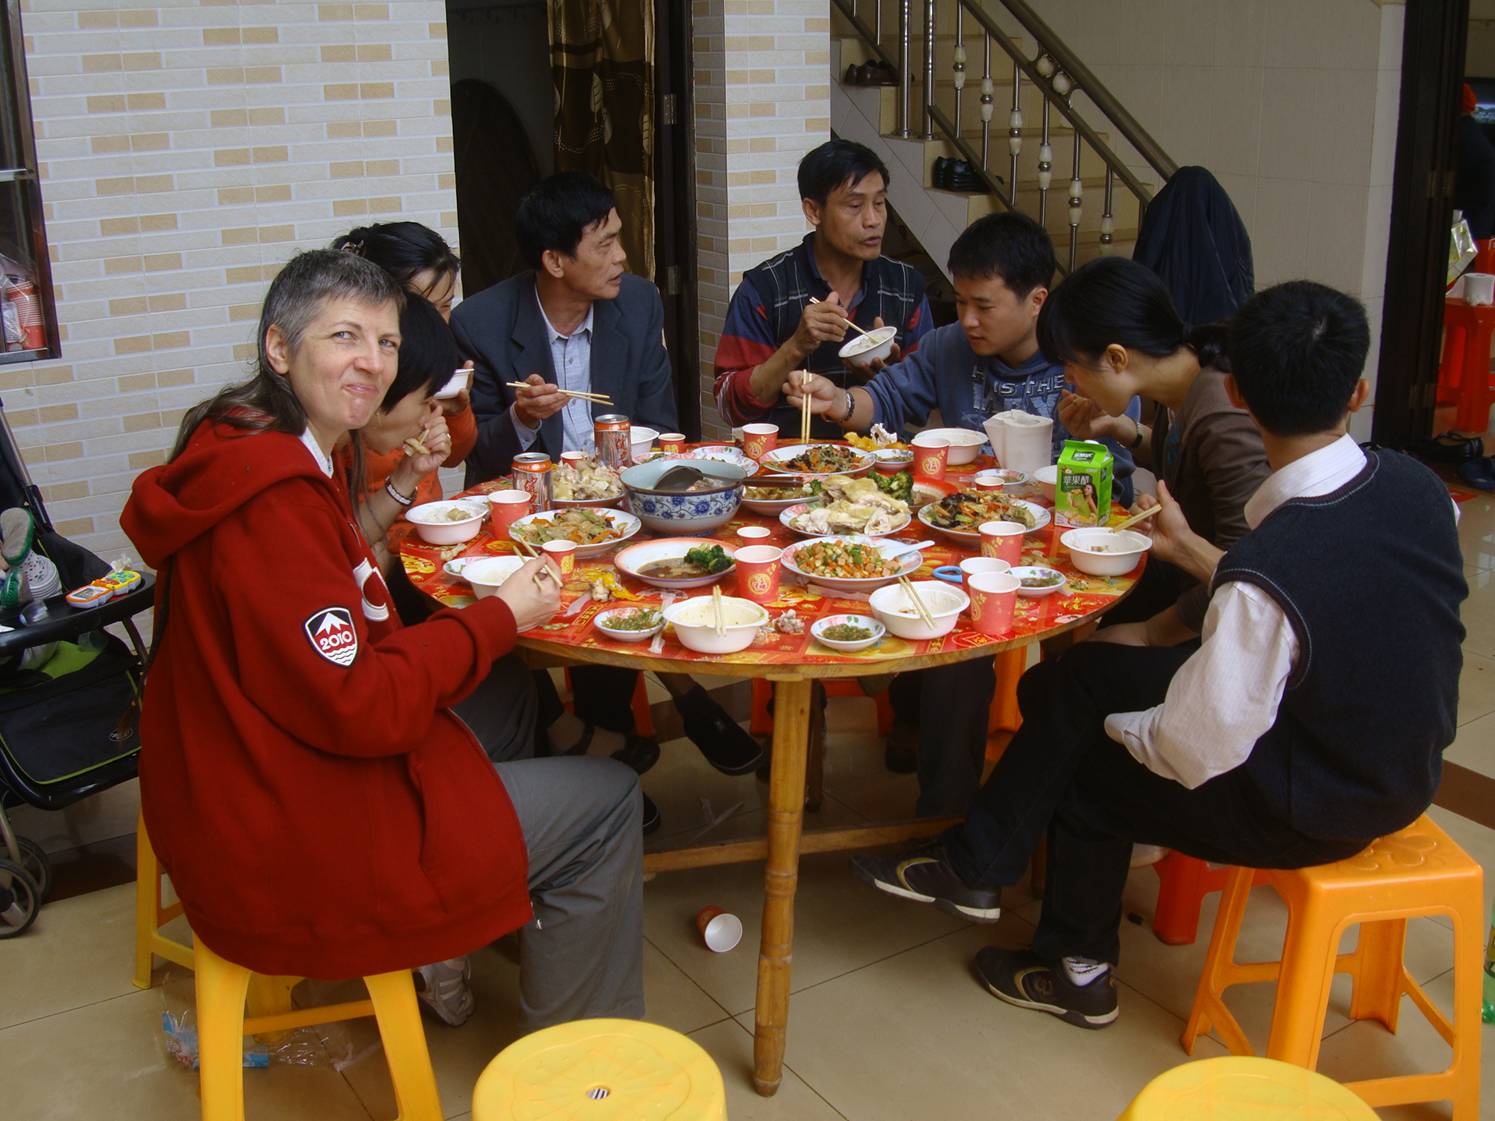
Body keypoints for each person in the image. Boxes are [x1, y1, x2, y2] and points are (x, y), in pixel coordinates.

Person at [851, 280, 1467, 1030]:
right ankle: (978, 864)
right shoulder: (1421, 488)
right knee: (1082, 680)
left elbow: (1193, 744)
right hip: (1400, 764)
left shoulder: (1268, 568)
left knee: (1090, 763)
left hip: (1318, 800)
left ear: (1236, 390)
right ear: (1358, 390)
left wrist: (1113, 728)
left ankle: (1074, 970)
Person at [122, 249, 645, 1032]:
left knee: (500, 692)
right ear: (278, 347)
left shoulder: (242, 437)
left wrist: (482, 629)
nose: (371, 363)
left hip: (233, 765)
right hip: (285, 825)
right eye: (344, 337)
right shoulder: (273, 500)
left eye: (387, 342)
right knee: (609, 801)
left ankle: (474, 915)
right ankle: (577, 1078)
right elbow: (360, 703)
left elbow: (322, 616)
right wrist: (498, 616)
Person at [790, 212, 1138, 812]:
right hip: (952, 544)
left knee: (1039, 660)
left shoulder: (1076, 362)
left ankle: (1040, 798)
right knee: (945, 631)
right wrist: (840, 399)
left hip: (1046, 551)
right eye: (959, 301)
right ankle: (945, 814)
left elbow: (1116, 480)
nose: (968, 320)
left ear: (1036, 302)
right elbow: (890, 397)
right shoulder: (949, 345)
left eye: (983, 305)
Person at [454, 172, 763, 829]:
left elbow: (658, 418)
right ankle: (629, 745)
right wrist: (524, 419)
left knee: (642, 573)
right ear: (554, 260)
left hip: (623, 504)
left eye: (621, 239)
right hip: (533, 517)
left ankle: (611, 761)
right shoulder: (479, 322)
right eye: (606, 243)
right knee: (577, 594)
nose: (623, 257)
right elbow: (476, 457)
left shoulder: (638, 303)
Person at [1042, 255, 1270, 635]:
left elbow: (1247, 576)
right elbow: (1183, 452)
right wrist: (1122, 429)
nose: (1069, 378)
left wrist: (1152, 636)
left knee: (1070, 674)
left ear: (1116, 357)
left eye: (1071, 364)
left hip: (1224, 623)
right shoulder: (1187, 373)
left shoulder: (1220, 415)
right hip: (1189, 578)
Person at [712, 139, 934, 437]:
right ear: (814, 211)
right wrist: (796, 346)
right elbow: (730, 406)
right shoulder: (766, 288)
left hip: (881, 467)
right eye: (855, 206)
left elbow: (924, 402)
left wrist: (890, 376)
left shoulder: (906, 285)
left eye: (879, 203)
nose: (873, 220)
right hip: (789, 466)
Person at [332, 222, 476, 507]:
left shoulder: (430, 359)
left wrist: (457, 411)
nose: (434, 323)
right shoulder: (350, 392)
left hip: (423, 526)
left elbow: (454, 456)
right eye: (422, 307)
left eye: (445, 306)